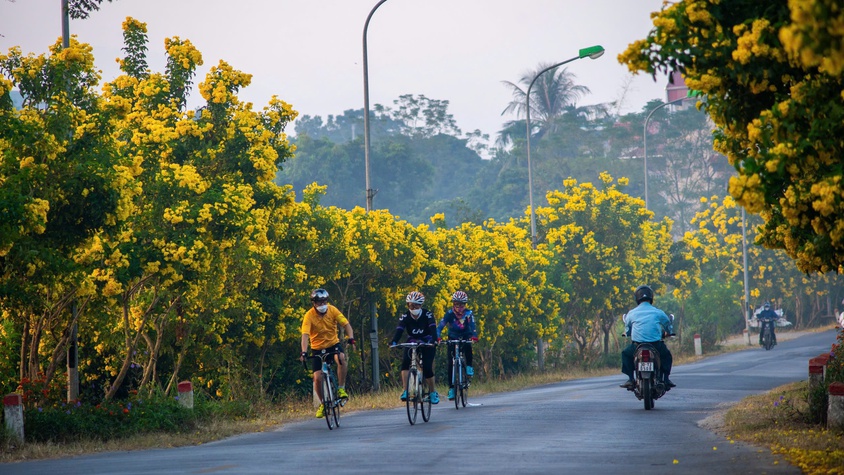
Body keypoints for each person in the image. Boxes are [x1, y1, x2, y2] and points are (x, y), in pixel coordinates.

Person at [299, 288, 356, 418]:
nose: (322, 305)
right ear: (314, 303)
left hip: (333, 345)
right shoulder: (308, 316)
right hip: (317, 348)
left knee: (341, 358)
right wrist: (303, 352)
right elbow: (305, 335)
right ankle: (323, 404)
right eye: (319, 303)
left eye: (324, 302)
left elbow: (346, 324)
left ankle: (341, 388)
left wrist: (351, 337)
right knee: (317, 378)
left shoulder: (333, 310)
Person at [620, 285, 675, 389]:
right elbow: (667, 325)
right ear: (651, 297)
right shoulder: (658, 312)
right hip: (656, 345)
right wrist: (669, 332)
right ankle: (666, 379)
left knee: (625, 354)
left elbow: (627, 330)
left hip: (637, 346)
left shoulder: (631, 313)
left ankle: (631, 379)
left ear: (637, 298)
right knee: (666, 356)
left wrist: (627, 333)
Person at [390, 291, 440, 404]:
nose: (413, 307)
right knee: (405, 363)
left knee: (427, 368)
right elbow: (399, 330)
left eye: (416, 305)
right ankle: (405, 390)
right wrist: (394, 342)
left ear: (420, 305)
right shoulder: (405, 316)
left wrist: (434, 340)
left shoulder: (428, 314)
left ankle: (432, 392)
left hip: (427, 341)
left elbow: (433, 328)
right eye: (410, 305)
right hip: (412, 340)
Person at [436, 290, 478, 401]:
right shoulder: (449, 314)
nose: (459, 307)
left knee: (468, 347)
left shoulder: (469, 314)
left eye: (462, 304)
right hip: (452, 337)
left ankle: (469, 367)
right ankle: (451, 388)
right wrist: (438, 336)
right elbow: (440, 326)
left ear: (465, 305)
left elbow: (473, 326)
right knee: (451, 362)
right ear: (453, 304)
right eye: (456, 304)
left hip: (465, 336)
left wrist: (474, 336)